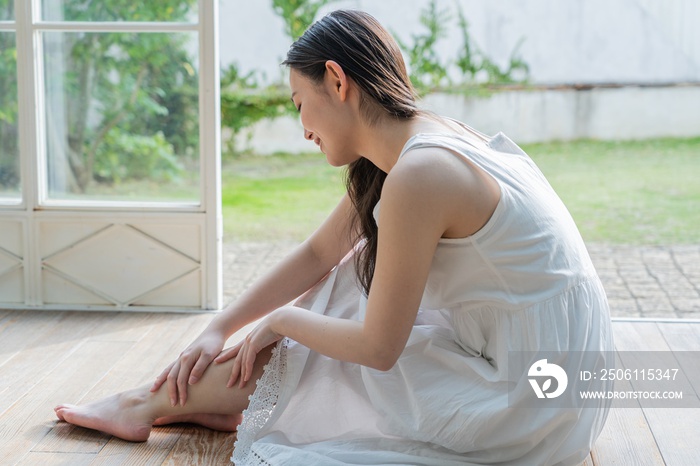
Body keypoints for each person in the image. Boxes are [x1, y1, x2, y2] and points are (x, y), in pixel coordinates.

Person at [55, 9, 614, 465]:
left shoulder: (421, 174)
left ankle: (150, 402)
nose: (303, 130)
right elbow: (320, 252)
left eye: (301, 104)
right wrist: (221, 326)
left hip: (533, 397)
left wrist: (277, 322)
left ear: (338, 81)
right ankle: (193, 400)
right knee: (347, 279)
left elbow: (378, 348)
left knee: (334, 321)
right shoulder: (422, 141)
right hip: (563, 371)